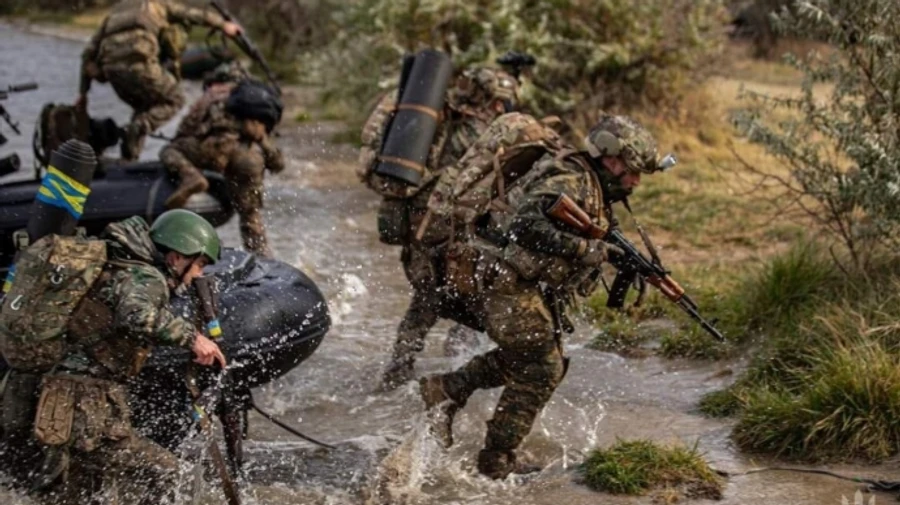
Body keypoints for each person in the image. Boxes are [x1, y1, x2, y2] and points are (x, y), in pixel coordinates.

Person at [419, 114, 669, 479]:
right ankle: (496, 462)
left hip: (514, 280)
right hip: (503, 281)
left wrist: (626, 262)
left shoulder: (592, 184)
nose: (635, 181)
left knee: (530, 358)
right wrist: (588, 250)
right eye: (632, 170)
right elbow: (526, 226)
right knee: (542, 366)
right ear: (611, 159)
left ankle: (447, 389)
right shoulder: (571, 179)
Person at [0, 210, 226, 504]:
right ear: (177, 257)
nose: (198, 275)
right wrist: (193, 339)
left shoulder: (109, 264)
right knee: (168, 473)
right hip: (84, 404)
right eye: (199, 265)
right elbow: (137, 315)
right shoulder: (145, 276)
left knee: (79, 493)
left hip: (48, 395)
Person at [358, 66, 520, 390]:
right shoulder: (477, 131)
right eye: (500, 102)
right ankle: (456, 370)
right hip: (449, 230)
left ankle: (397, 373)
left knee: (426, 301)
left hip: (422, 230)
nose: (502, 109)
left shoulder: (439, 122)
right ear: (489, 99)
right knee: (464, 296)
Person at [77, 0, 244, 161]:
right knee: (175, 99)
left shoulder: (115, 12)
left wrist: (83, 93)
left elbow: (88, 53)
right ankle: (137, 130)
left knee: (145, 107)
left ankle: (129, 157)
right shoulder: (157, 5)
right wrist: (223, 25)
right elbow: (195, 15)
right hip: (142, 67)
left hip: (114, 74)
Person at [160, 72, 285, 257]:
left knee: (170, 150)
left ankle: (191, 176)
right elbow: (277, 163)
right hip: (248, 159)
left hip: (213, 151)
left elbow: (184, 131)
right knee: (251, 217)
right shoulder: (255, 107)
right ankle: (264, 261)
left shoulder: (210, 96)